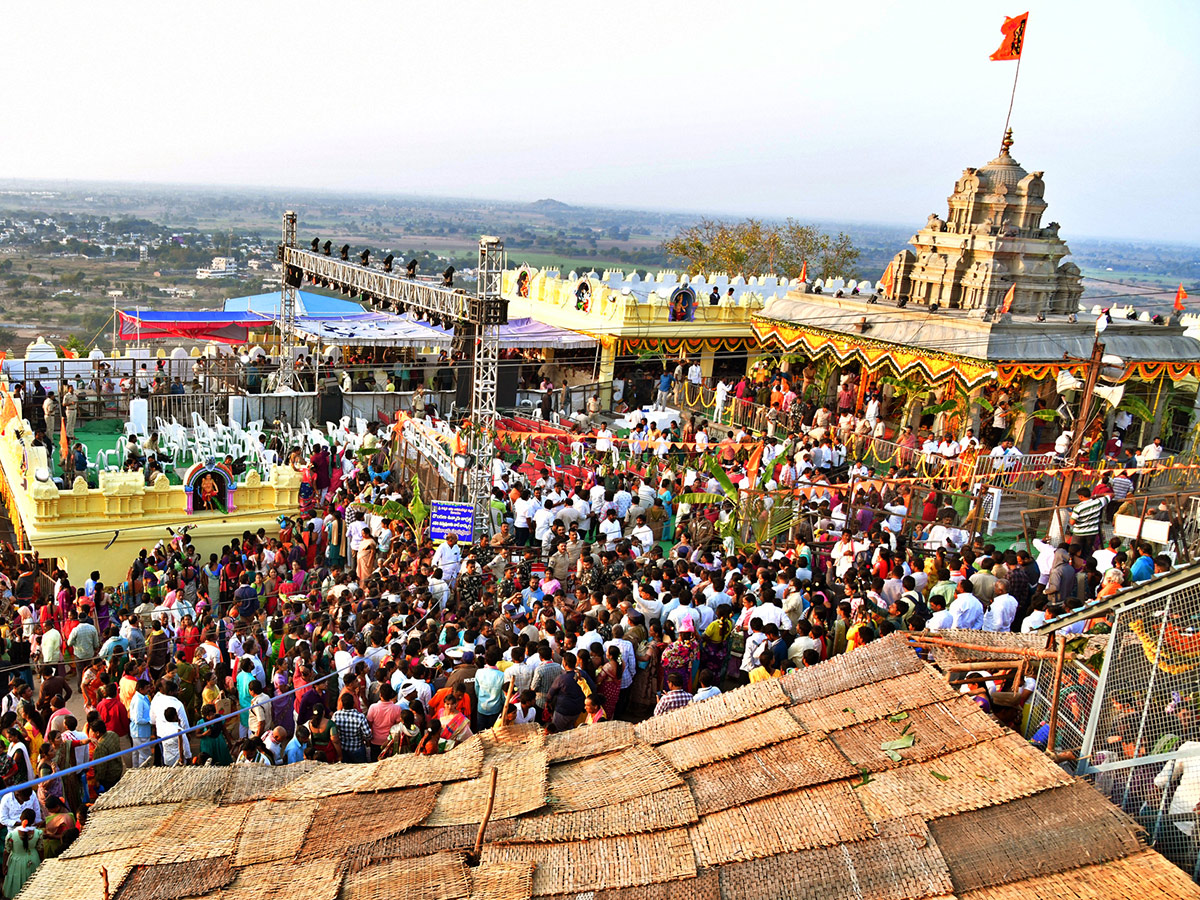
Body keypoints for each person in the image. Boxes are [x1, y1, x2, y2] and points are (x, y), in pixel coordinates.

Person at [2, 808, 41, 899]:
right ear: (34, 820)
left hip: (16, 862)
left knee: (16, 885)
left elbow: (6, 851)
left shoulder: (11, 835)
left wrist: (4, 866)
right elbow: (40, 849)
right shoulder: (38, 833)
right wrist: (41, 862)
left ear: (20, 818)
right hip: (34, 860)